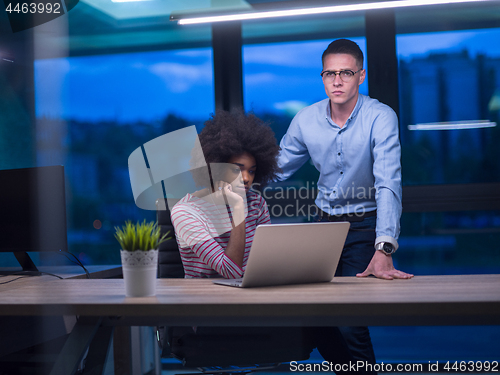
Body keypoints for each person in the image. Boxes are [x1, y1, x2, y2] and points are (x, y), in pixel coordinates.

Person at [170, 110, 356, 371]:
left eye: (252, 171)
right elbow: (231, 272)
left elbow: (265, 261)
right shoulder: (186, 212)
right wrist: (238, 212)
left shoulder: (255, 202)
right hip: (210, 314)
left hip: (255, 304)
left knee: (320, 317)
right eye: (237, 170)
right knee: (318, 324)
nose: (246, 179)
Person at [276, 39, 414, 369]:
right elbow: (275, 169)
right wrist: (229, 183)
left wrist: (384, 248)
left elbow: (388, 182)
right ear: (322, 77)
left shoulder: (380, 117)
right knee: (316, 319)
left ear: (361, 76)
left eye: (346, 72)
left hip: (364, 224)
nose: (337, 81)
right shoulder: (305, 120)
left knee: (351, 320)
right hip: (324, 226)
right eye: (329, 73)